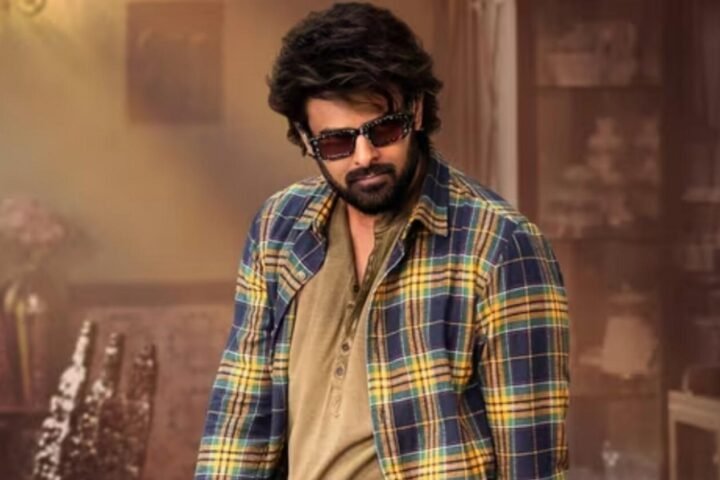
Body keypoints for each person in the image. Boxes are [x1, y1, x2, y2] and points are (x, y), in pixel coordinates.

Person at [195, 2, 570, 479]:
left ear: (416, 111)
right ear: (305, 139)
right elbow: (239, 422)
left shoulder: (501, 248)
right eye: (336, 142)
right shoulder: (279, 229)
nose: (364, 156)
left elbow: (532, 466)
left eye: (384, 130)